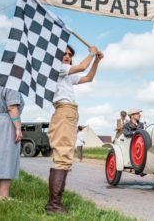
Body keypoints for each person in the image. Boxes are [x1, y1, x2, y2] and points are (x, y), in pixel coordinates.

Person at [46, 45, 103, 214]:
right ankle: (54, 205)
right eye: (64, 53)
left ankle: (54, 203)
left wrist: (97, 61)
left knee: (62, 157)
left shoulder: (66, 76)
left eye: (70, 55)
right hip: (64, 112)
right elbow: (82, 66)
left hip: (66, 112)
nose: (67, 56)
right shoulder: (58, 68)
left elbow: (88, 78)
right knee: (62, 158)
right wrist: (92, 53)